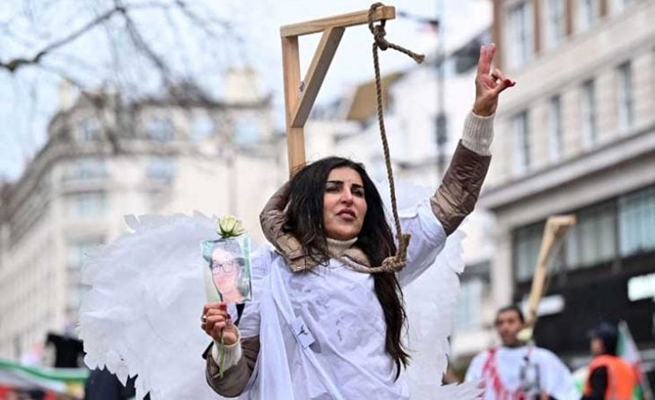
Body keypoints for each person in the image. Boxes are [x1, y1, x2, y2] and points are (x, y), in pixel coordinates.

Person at [199, 43, 514, 399]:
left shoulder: (385, 259)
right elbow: (232, 384)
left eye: (358, 191)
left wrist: (480, 117)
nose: (349, 197)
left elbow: (453, 201)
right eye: (333, 189)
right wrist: (227, 346)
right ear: (307, 203)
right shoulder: (258, 272)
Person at [465, 305, 579, 400]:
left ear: (522, 325)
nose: (505, 327)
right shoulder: (482, 361)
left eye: (511, 322)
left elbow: (568, 392)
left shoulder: (543, 359)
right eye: (500, 323)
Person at [581, 322, 637, 400]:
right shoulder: (626, 366)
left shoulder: (601, 366)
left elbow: (597, 396)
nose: (592, 343)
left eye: (595, 339)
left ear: (602, 343)